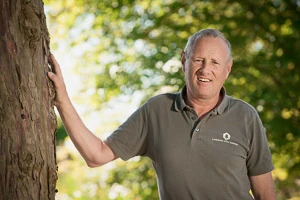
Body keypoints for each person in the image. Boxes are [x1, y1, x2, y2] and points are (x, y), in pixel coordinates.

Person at [48, 28, 277, 199]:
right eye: (198, 59)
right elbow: (96, 155)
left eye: (215, 62)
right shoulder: (157, 111)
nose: (205, 69)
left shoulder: (245, 117)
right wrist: (62, 101)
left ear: (227, 69)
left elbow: (265, 195)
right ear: (184, 61)